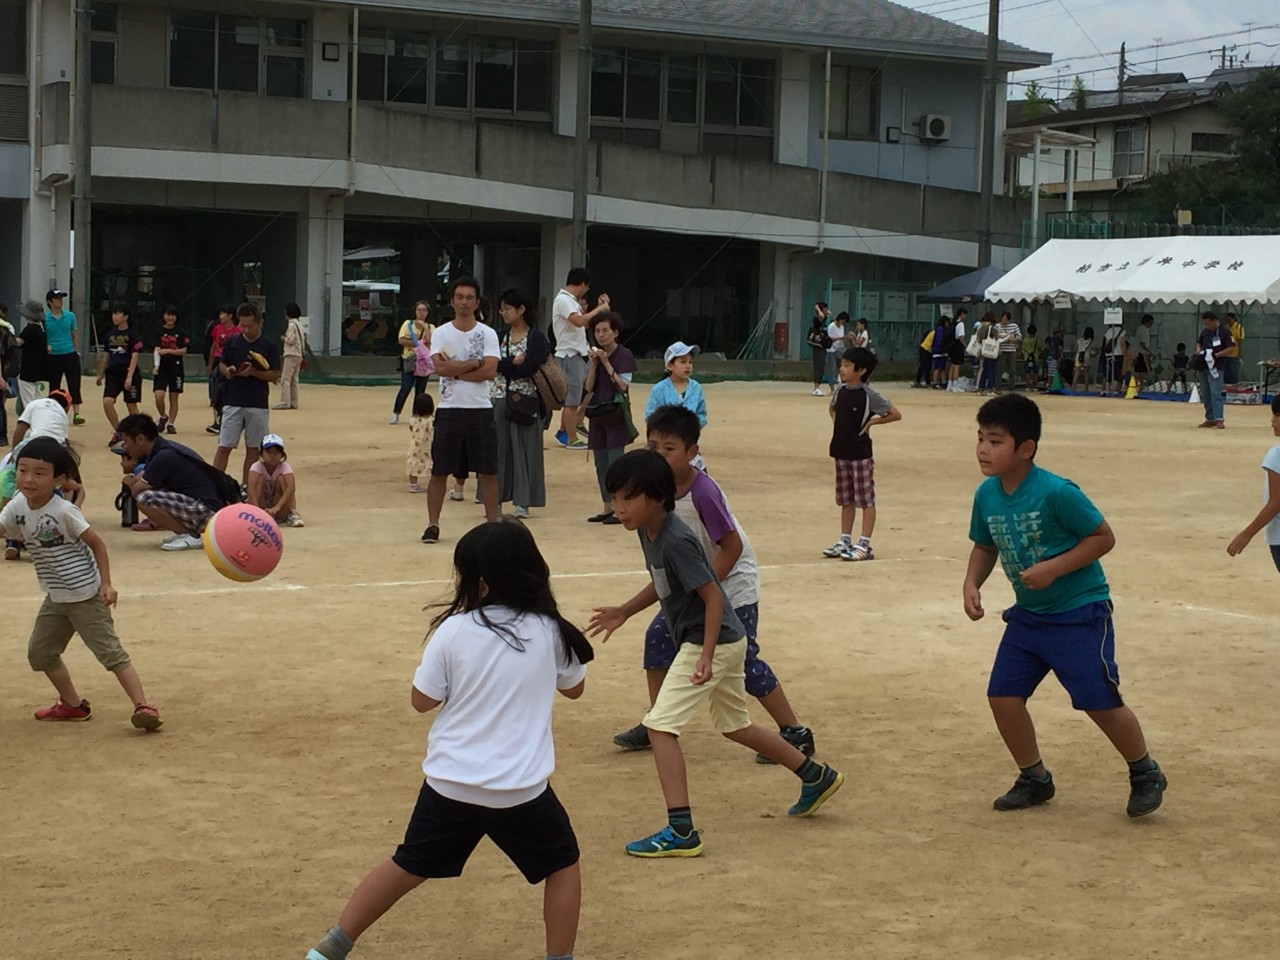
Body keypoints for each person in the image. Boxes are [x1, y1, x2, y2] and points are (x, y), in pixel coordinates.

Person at [301, 520, 592, 960]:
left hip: (450, 783)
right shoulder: (551, 630)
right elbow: (575, 689)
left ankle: (331, 948)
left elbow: (422, 701)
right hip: (519, 790)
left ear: (480, 584)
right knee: (562, 865)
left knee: (406, 865)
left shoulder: (453, 630)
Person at [588, 450, 844, 858]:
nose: (617, 509)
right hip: (719, 640)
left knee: (660, 727)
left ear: (656, 497)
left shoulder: (675, 540)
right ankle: (815, 775)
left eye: (626, 499)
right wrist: (624, 611)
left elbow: (712, 597)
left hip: (713, 640)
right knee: (735, 725)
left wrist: (705, 655)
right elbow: (666, 584)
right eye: (614, 498)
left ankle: (681, 830)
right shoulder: (647, 530)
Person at [963, 394, 1166, 817]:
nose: (983, 449)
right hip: (1029, 619)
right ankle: (1034, 777)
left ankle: (1144, 771)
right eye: (980, 438)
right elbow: (984, 545)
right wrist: (971, 582)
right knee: (1003, 697)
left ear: (1026, 449)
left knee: (1100, 702)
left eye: (996, 441)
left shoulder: (1057, 492)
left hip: (1078, 615)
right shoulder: (987, 494)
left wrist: (1054, 568)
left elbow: (1102, 537)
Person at [610, 405, 817, 764]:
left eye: (669, 448)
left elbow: (732, 547)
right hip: (697, 586)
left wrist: (704, 589)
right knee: (657, 638)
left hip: (730, 584)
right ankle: (656, 719)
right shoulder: (650, 496)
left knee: (743, 656)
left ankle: (793, 730)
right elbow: (666, 577)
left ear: (693, 452)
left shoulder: (702, 492)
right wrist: (627, 610)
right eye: (653, 446)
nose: (659, 454)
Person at [0, 437, 162, 730]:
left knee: (111, 654)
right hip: (57, 597)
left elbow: (97, 544)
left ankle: (144, 706)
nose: (28, 479)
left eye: (40, 473)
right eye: (23, 470)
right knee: (41, 654)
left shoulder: (64, 512)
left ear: (59, 479)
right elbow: (2, 527)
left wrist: (107, 584)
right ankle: (73, 705)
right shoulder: (17, 507)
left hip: (87, 596)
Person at [421, 277, 500, 544]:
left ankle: (493, 523)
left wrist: (458, 369)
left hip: (480, 408)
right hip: (450, 408)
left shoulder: (488, 333)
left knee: (488, 471)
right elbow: (440, 368)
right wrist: (472, 364)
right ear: (452, 301)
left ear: (477, 302)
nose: (464, 302)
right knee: (439, 470)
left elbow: (489, 371)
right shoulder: (441, 333)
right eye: (459, 297)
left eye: (469, 297)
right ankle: (433, 523)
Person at [821, 346, 902, 561]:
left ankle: (865, 543)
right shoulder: (840, 390)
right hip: (840, 451)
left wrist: (874, 422)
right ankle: (845, 539)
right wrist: (837, 426)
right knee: (845, 499)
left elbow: (895, 414)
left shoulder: (870, 396)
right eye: (842, 364)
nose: (842, 369)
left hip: (860, 453)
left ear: (862, 370)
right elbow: (833, 409)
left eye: (847, 365)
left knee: (865, 500)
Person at [117, 413, 225, 551]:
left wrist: (130, 481)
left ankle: (190, 536)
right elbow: (140, 480)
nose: (125, 447)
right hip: (202, 506)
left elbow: (136, 489)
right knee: (149, 493)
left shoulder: (164, 455)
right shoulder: (160, 449)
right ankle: (186, 534)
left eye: (126, 441)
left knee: (144, 498)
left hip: (207, 512)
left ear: (140, 438)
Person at [493, 289, 549, 520]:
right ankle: (494, 500)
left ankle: (523, 502)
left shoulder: (537, 338)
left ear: (521, 309)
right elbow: (492, 363)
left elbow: (530, 367)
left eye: (507, 308)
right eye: (502, 308)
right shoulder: (498, 336)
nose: (503, 312)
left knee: (525, 450)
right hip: (499, 398)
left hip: (527, 402)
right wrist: (511, 364)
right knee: (499, 451)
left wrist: (507, 366)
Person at [213, 302, 281, 484]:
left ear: (260, 322)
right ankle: (216, 484)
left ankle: (247, 487)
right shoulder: (232, 341)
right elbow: (222, 363)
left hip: (257, 402)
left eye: (249, 325)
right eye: (242, 325)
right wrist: (227, 370)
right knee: (224, 446)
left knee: (253, 448)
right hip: (233, 400)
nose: (245, 329)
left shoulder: (269, 346)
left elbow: (275, 375)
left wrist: (253, 373)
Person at [583, 311, 637, 525]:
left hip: (615, 414)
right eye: (597, 331)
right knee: (600, 463)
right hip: (598, 413)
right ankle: (607, 506)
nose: (601, 335)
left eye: (605, 330)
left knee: (616, 461)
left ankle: (619, 508)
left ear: (615, 332)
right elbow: (588, 388)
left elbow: (623, 385)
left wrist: (606, 363)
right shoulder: (594, 356)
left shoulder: (624, 355)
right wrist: (595, 364)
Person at [551, 267, 611, 448]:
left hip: (577, 353)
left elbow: (582, 321)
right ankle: (571, 438)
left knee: (583, 392)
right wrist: (600, 308)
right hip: (570, 355)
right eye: (587, 287)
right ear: (583, 284)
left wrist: (599, 310)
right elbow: (578, 321)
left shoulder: (569, 301)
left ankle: (565, 430)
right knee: (572, 400)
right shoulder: (564, 299)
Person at [1227, 394, 1280, 573]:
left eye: (1277, 416)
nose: (1272, 421)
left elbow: (1276, 502)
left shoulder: (1276, 456)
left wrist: (1246, 534)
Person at [97, 303, 144, 444]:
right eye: (114, 314)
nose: (115, 317)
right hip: (113, 373)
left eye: (118, 314)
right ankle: (119, 432)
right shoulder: (110, 335)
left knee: (131, 405)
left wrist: (129, 377)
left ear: (126, 317)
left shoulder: (133, 335)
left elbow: (135, 355)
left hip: (129, 373)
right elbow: (107, 355)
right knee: (107, 402)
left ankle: (142, 434)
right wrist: (100, 373)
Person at [44, 288, 84, 425]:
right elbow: (43, 337)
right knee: (54, 385)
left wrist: (76, 351)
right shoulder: (45, 319)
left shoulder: (70, 316)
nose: (60, 300)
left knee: (74, 384)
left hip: (69, 353)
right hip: (53, 355)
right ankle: (54, 412)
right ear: (50, 301)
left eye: (61, 298)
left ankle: (77, 414)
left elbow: (74, 335)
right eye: (56, 298)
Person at [390, 300, 433, 424]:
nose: (421, 312)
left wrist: (424, 328)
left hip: (424, 362)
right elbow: (401, 340)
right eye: (419, 310)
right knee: (405, 388)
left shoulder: (431, 327)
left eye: (424, 310)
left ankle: (416, 415)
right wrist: (419, 344)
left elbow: (431, 342)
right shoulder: (408, 324)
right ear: (415, 311)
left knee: (420, 390)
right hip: (409, 360)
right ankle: (396, 412)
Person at [644, 341, 707, 427]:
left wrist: (693, 426)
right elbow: (650, 416)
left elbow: (701, 414)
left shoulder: (696, 387)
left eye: (690, 362)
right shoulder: (659, 389)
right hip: (666, 437)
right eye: (683, 362)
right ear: (670, 366)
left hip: (689, 438)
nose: (688, 366)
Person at [247, 432, 303, 527]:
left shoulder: (284, 467)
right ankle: (257, 513)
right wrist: (257, 508)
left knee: (281, 479)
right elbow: (251, 489)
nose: (272, 456)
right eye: (268, 452)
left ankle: (291, 513)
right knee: (259, 479)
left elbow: (291, 488)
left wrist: (277, 507)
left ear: (281, 454)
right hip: (261, 503)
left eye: (276, 453)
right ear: (261, 454)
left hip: (279, 506)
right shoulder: (256, 467)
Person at [151, 305, 189, 434]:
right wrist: (156, 366)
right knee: (158, 395)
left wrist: (168, 351)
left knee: (174, 397)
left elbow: (183, 351)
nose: (170, 318)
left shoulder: (181, 332)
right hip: (161, 368)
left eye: (173, 315)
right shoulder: (157, 332)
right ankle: (163, 416)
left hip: (176, 368)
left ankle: (171, 423)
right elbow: (156, 350)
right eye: (168, 315)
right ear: (164, 316)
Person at [205, 306, 241, 435]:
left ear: (230, 316)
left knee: (230, 392)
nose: (220, 316)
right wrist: (209, 364)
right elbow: (214, 346)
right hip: (218, 360)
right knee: (216, 392)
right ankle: (216, 421)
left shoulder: (238, 331)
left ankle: (228, 421)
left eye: (223, 313)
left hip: (231, 362)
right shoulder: (217, 329)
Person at [1195, 311, 1233, 429]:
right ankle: (1210, 417)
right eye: (1204, 325)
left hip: (1217, 367)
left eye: (1208, 324)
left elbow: (1231, 347)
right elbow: (1198, 342)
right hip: (1203, 366)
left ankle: (1219, 418)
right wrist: (1198, 350)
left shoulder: (1225, 332)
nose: (1206, 327)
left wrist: (1217, 355)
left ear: (1214, 321)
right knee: (1205, 393)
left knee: (1215, 392)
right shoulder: (1205, 332)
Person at [13, 299, 48, 409]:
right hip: (39, 369)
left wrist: (8, 337)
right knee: (36, 398)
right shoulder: (42, 328)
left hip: (28, 369)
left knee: (28, 402)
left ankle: (30, 423)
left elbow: (18, 342)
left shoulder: (30, 329)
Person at [276, 302, 305, 410]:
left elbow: (291, 340)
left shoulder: (291, 325)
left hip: (291, 353)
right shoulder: (299, 324)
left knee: (285, 378)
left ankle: (285, 401)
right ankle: (294, 402)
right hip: (299, 354)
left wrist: (284, 338)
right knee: (294, 379)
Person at [406, 392, 435, 493]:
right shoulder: (432, 420)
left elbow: (411, 428)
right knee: (431, 464)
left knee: (413, 463)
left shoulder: (414, 419)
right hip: (429, 446)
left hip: (415, 447)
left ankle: (413, 484)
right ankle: (433, 484)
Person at [806, 303, 831, 396]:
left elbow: (829, 313)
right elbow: (821, 315)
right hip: (818, 347)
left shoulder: (823, 321)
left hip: (822, 346)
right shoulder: (818, 320)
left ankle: (817, 387)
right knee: (818, 366)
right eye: (824, 309)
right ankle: (816, 388)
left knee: (821, 366)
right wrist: (817, 307)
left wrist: (824, 310)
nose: (826, 311)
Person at [994, 311, 1021, 393]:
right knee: (1000, 369)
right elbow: (995, 335)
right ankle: (998, 387)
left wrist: (1012, 339)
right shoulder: (997, 326)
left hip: (1011, 350)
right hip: (1002, 350)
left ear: (1009, 320)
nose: (1003, 320)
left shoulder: (1014, 326)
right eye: (1002, 318)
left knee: (1012, 369)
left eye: (1005, 319)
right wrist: (1007, 337)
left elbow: (1019, 337)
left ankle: (1011, 388)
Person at [826, 311, 851, 393]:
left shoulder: (842, 327)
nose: (843, 323)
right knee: (832, 368)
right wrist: (841, 337)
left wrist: (845, 338)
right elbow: (830, 338)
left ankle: (843, 385)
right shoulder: (831, 326)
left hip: (840, 349)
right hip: (831, 349)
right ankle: (832, 387)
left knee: (841, 367)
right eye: (843, 321)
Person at [975, 312, 999, 395]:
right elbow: (997, 337)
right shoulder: (991, 328)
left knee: (984, 370)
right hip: (991, 351)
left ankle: (981, 388)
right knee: (992, 370)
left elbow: (978, 339)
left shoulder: (980, 327)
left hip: (983, 351)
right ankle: (989, 388)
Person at [1100, 323, 1126, 397]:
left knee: (1109, 372)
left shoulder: (1108, 331)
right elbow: (1123, 344)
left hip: (1108, 354)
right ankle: (1114, 390)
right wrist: (1125, 355)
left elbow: (1106, 344)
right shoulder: (1122, 331)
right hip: (1118, 354)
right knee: (1116, 372)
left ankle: (1108, 389)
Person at [1131, 314, 1155, 393]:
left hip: (1139, 352)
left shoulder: (1140, 329)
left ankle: (1139, 384)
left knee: (1141, 371)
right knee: (1143, 371)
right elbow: (1142, 343)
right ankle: (1139, 384)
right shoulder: (1144, 330)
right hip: (1142, 353)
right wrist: (1149, 352)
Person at [946, 307, 968, 393]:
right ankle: (955, 385)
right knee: (957, 366)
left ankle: (950, 384)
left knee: (952, 365)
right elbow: (961, 337)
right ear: (962, 314)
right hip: (958, 346)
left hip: (952, 346)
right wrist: (966, 346)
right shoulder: (961, 324)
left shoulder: (953, 323)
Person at [1219, 311, 1244, 385]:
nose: (1228, 321)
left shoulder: (1238, 327)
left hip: (1234, 354)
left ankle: (1234, 385)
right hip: (1225, 353)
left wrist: (1240, 352)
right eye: (1227, 320)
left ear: (1234, 319)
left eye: (1230, 320)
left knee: (1233, 371)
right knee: (1225, 372)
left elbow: (1240, 340)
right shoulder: (1226, 327)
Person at [1071, 326, 1095, 393]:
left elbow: (1075, 349)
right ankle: (1086, 389)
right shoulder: (1091, 341)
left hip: (1078, 357)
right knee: (1086, 374)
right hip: (1086, 357)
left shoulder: (1079, 340)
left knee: (1077, 373)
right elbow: (1093, 352)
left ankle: (1073, 388)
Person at [1020, 324, 1039, 390]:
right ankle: (1035, 387)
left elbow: (1022, 349)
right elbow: (1040, 348)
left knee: (1027, 372)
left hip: (1027, 358)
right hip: (1035, 358)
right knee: (1035, 372)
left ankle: (1028, 386)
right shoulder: (1036, 340)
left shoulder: (1025, 340)